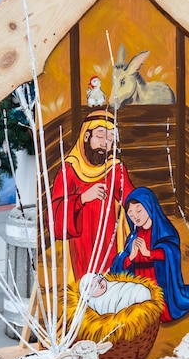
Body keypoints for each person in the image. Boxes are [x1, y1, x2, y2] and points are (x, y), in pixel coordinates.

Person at [51, 109, 134, 281]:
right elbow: (55, 213)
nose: (106, 143)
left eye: (111, 138)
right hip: (81, 244)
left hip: (111, 240)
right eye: (101, 135)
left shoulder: (115, 168)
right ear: (86, 136)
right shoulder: (70, 169)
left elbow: (131, 199)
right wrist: (82, 198)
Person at [111, 186, 189, 322]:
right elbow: (121, 263)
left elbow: (171, 251)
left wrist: (149, 253)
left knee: (159, 314)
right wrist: (130, 257)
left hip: (158, 281)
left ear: (149, 206)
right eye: (130, 213)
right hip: (138, 282)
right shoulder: (133, 237)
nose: (135, 216)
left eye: (139, 210)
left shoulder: (164, 230)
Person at [78, 272, 151, 315]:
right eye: (93, 286)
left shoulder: (114, 285)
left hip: (136, 293)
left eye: (98, 281)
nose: (98, 285)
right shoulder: (100, 305)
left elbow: (124, 287)